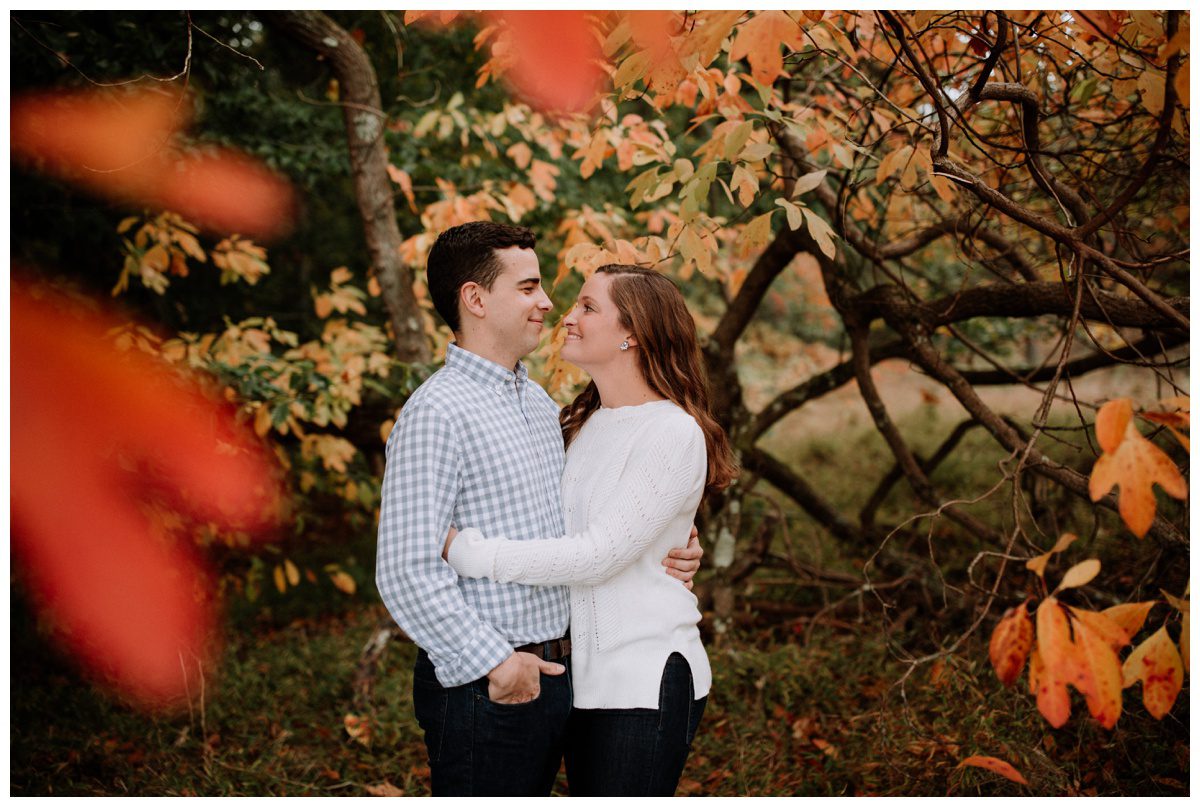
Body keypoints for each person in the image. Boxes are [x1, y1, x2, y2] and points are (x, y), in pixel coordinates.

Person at [375, 222, 702, 796]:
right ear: (475, 299)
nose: (547, 303)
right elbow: (406, 570)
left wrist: (672, 539)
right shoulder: (437, 413)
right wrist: (497, 664)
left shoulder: (538, 404)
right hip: (490, 684)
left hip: (564, 678)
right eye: (528, 287)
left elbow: (594, 514)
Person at [444, 263, 736, 796]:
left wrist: (467, 552)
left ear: (633, 333)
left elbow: (598, 553)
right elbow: (556, 522)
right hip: (578, 682)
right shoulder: (578, 423)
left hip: (642, 679)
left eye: (587, 307)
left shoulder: (673, 432)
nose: (567, 316)